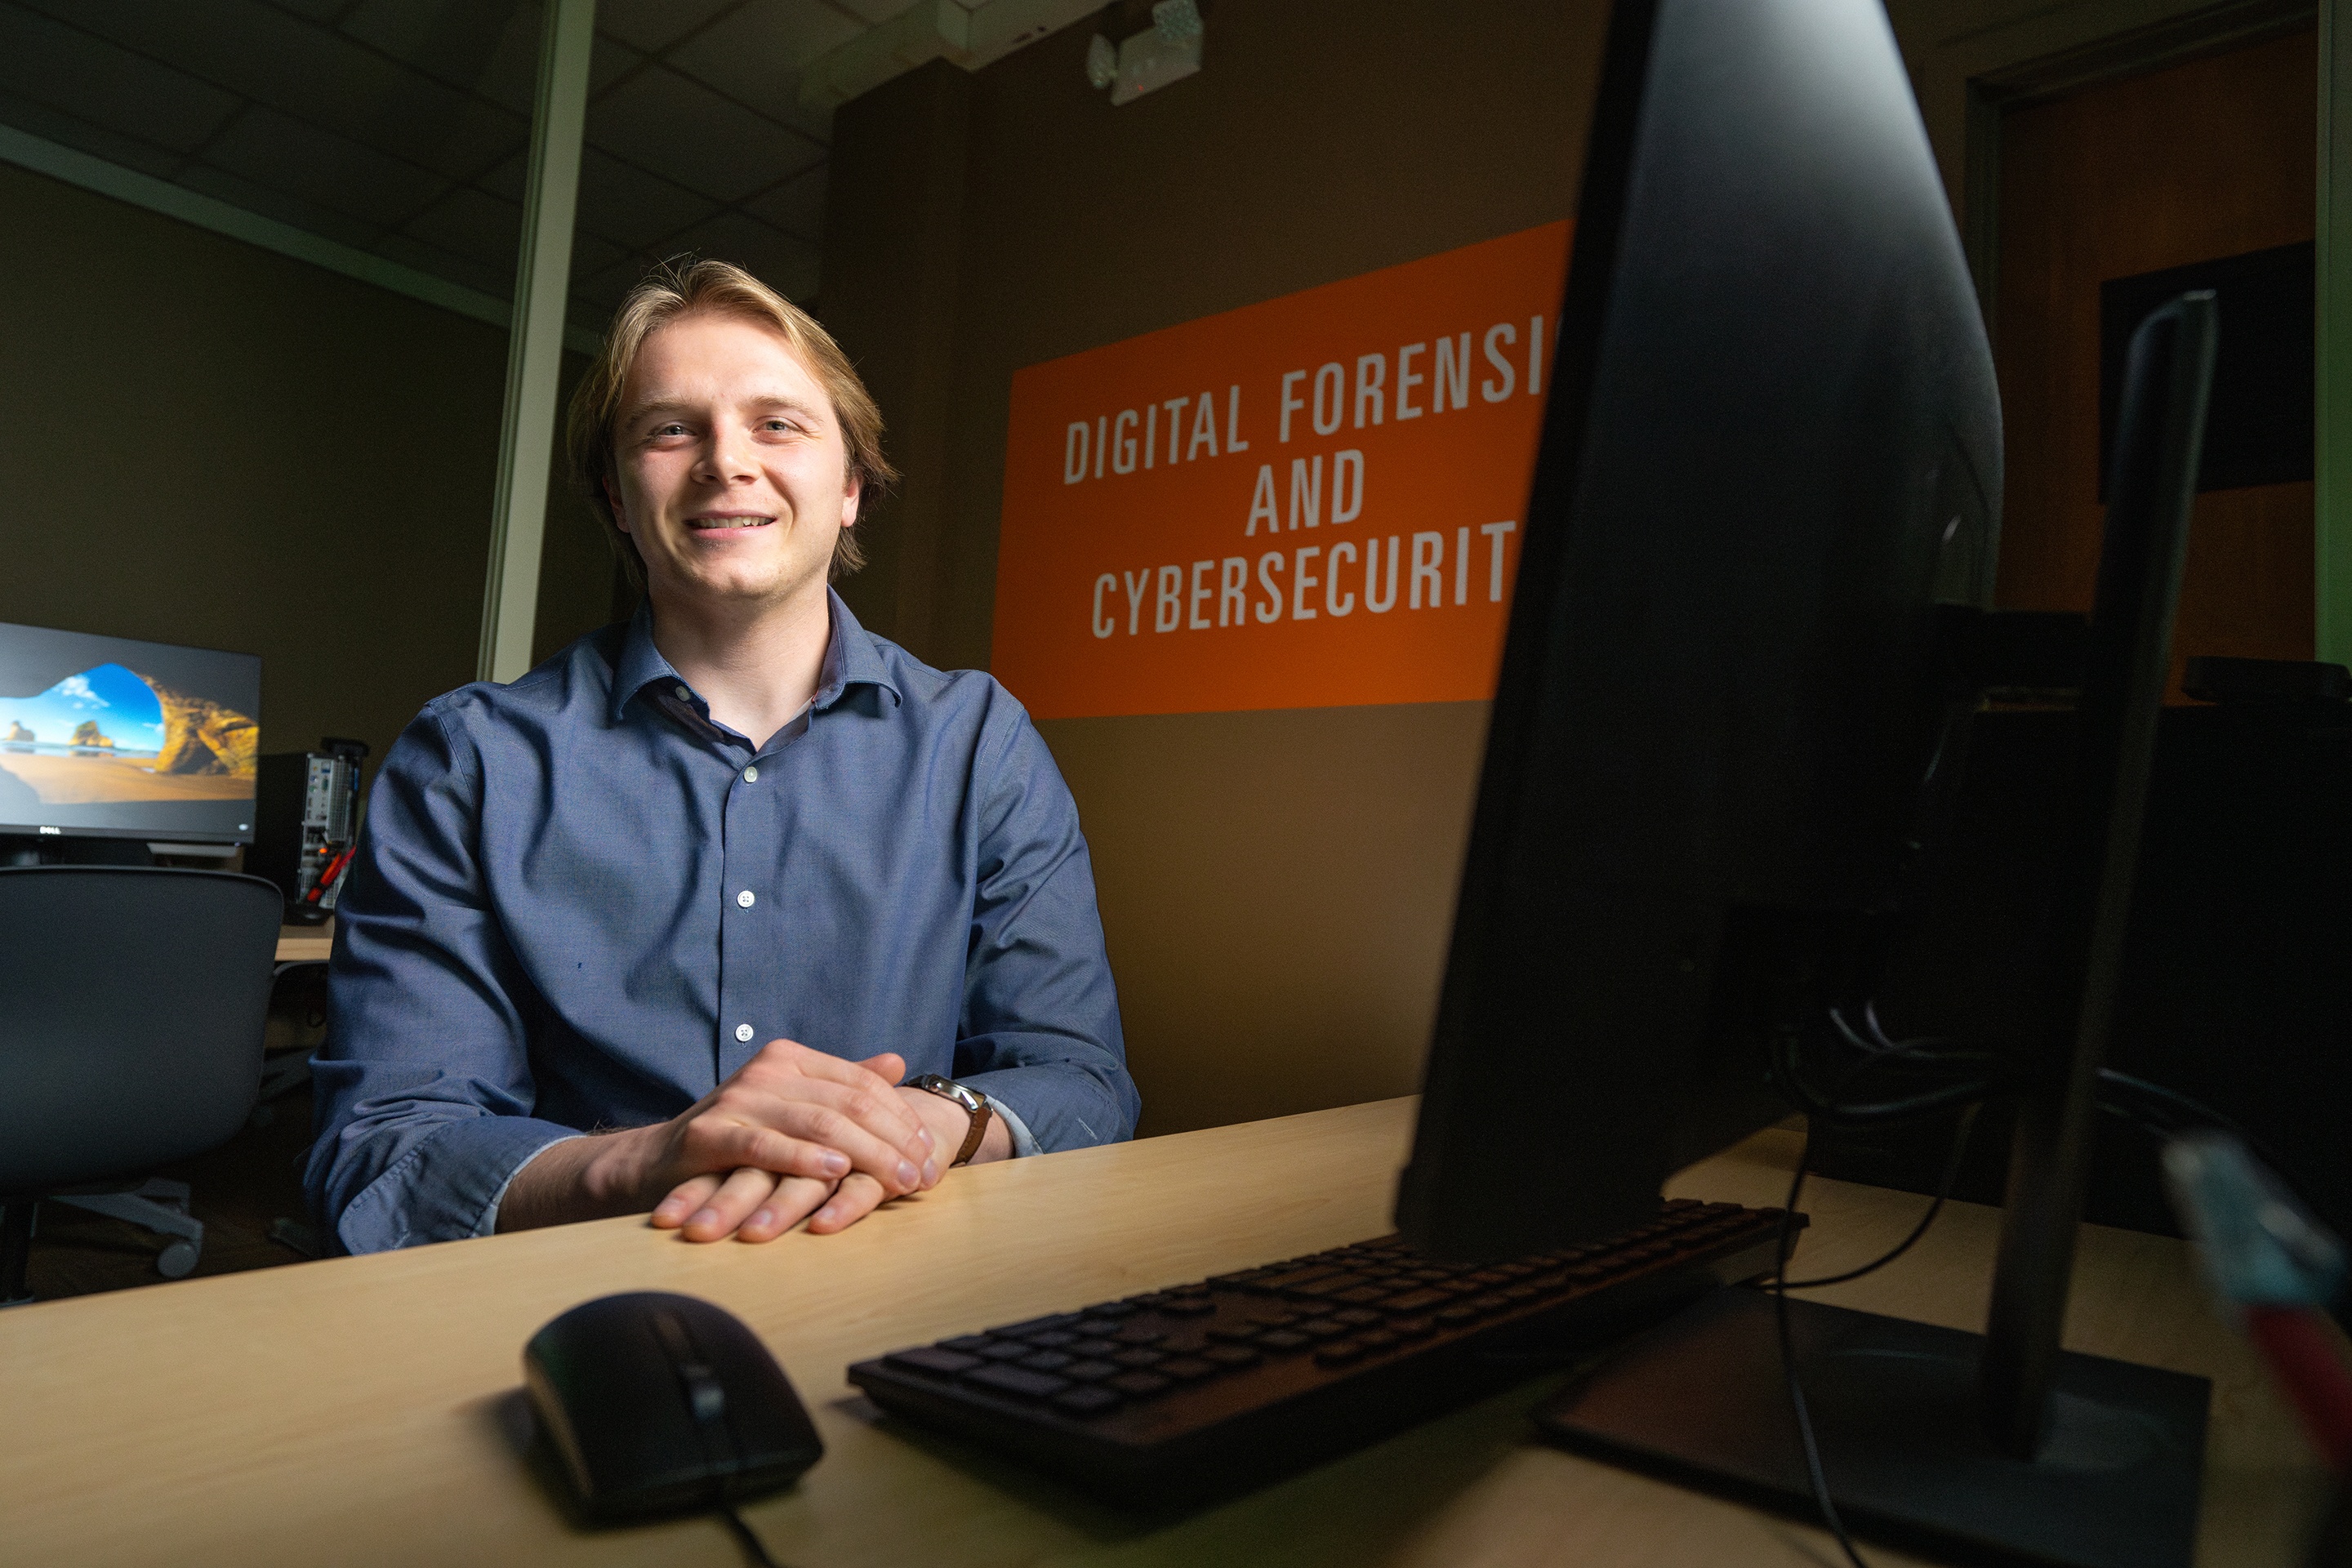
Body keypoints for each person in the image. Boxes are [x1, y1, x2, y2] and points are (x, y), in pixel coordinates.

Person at [305, 259, 1138, 1254]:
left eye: (778, 424)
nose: (725, 462)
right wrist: (652, 1158)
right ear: (618, 496)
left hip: (906, 1279)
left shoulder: (979, 745)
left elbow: (1082, 1083)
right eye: (670, 428)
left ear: (852, 489)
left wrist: (914, 1126)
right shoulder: (468, 761)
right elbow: (385, 1150)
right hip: (580, 1306)